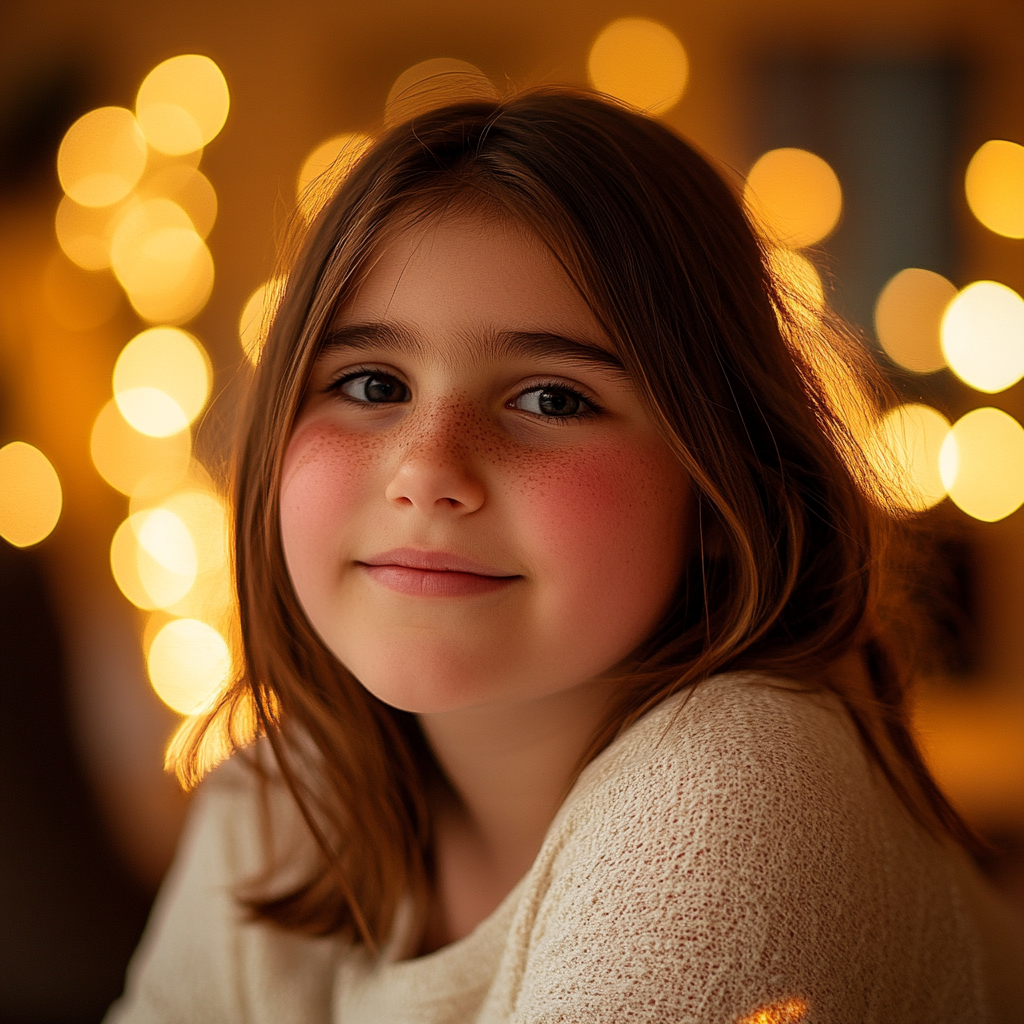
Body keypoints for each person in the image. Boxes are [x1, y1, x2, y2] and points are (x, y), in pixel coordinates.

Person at [106, 88, 1023, 1023]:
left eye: (551, 399)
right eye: (372, 383)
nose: (427, 472)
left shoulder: (735, 789)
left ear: (718, 488)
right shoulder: (279, 805)